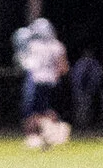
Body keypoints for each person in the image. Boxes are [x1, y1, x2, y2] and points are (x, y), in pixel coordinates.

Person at [21, 17, 69, 148]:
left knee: (31, 112)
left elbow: (24, 63)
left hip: (36, 81)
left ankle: (34, 137)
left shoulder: (32, 45)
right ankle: (53, 133)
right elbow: (64, 68)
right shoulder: (57, 45)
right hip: (52, 82)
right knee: (48, 111)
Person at [69, 45, 103, 137]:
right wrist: (77, 90)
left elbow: (97, 77)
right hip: (81, 91)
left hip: (89, 91)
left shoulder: (94, 63)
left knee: (87, 109)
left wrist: (92, 89)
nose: (88, 55)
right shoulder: (80, 63)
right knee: (81, 109)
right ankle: (80, 127)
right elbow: (76, 78)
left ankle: (85, 126)